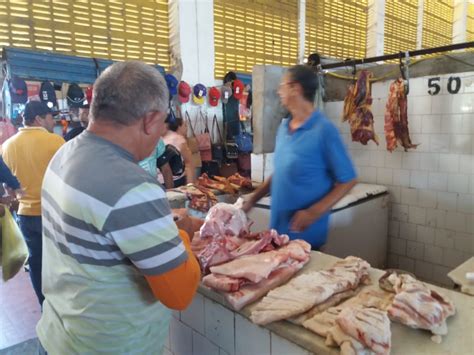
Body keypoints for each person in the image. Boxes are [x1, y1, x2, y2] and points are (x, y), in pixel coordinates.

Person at [37, 61, 201, 354]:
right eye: (162, 123)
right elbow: (180, 294)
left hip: (59, 336)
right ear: (150, 120)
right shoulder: (133, 185)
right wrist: (184, 234)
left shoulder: (64, 154)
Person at [243, 65, 357, 250]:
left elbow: (348, 180)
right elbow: (280, 172)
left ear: (296, 88)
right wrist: (253, 199)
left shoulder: (324, 130)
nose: (279, 91)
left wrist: (313, 212)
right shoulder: (284, 127)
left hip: (306, 239)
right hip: (278, 233)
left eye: (282, 86)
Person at [2, 101, 64, 304]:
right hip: (54, 215)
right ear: (38, 118)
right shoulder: (56, 142)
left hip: (25, 216)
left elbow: (7, 186)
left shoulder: (7, 146)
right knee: (61, 263)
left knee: (36, 264)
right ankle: (62, 306)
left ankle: (44, 305)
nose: (52, 121)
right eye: (50, 117)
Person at [163, 115, 195, 186]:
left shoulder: (177, 139)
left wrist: (190, 185)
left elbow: (189, 163)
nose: (186, 128)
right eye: (185, 126)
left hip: (175, 181)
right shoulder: (155, 140)